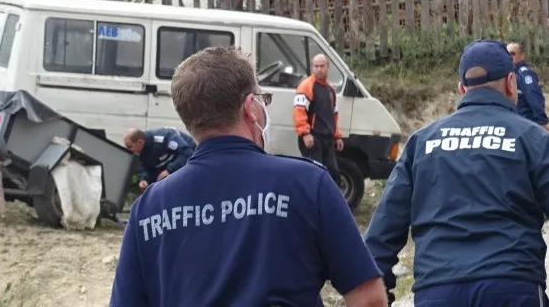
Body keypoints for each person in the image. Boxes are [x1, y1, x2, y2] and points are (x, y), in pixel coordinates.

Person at [110, 46, 387, 307]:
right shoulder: (307, 184)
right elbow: (369, 298)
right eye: (262, 99)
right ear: (249, 107)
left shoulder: (147, 209)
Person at [364, 39, 549, 306]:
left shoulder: (421, 143)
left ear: (462, 89)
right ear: (511, 82)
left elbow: (383, 231)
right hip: (511, 287)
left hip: (438, 291)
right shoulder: (532, 139)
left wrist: (379, 293)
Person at [293, 53, 344, 186]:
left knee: (333, 174)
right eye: (316, 66)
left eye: (322, 66)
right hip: (312, 138)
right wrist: (305, 133)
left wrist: (337, 136)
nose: (319, 69)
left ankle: (330, 204)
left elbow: (334, 115)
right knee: (314, 175)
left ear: (328, 67)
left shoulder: (330, 89)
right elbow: (299, 111)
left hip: (328, 139)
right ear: (312, 67)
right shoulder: (306, 86)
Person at [123, 127, 196, 190]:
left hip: (190, 163)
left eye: (129, 146)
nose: (128, 150)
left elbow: (187, 153)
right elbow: (146, 168)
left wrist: (169, 170)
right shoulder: (139, 152)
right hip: (168, 171)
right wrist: (144, 179)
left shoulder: (164, 137)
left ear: (140, 142)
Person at [507, 42, 549, 130]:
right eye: (507, 54)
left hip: (528, 124)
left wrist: (542, 122)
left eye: (513, 53)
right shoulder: (510, 73)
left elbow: (535, 99)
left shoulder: (525, 75)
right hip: (515, 123)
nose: (510, 56)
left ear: (522, 55)